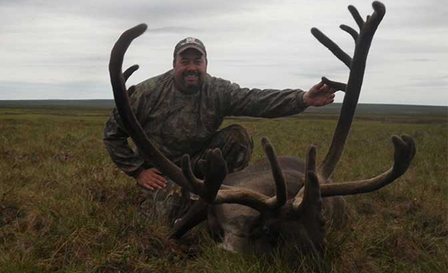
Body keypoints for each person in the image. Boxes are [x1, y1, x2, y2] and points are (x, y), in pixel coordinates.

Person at [103, 37, 336, 224]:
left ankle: (227, 197)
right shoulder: (147, 93)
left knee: (239, 137)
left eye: (198, 61)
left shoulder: (217, 90)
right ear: (174, 64)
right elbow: (113, 134)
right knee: (162, 219)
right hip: (162, 172)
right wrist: (138, 171)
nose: (191, 68)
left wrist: (302, 99)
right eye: (185, 61)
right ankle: (192, 203)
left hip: (199, 163)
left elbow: (256, 100)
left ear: (206, 64)